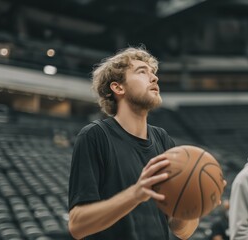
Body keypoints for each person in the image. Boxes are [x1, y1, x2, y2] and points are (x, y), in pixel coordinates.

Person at [68, 47, 199, 239]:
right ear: (118, 87)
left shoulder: (163, 140)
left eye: (153, 73)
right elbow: (77, 225)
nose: (154, 78)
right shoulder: (95, 136)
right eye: (142, 72)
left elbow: (182, 231)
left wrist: (194, 201)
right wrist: (135, 194)